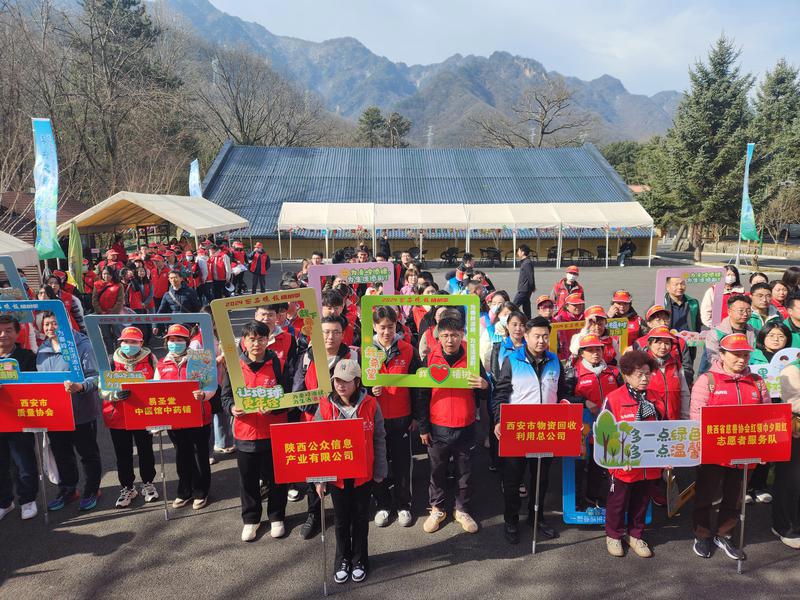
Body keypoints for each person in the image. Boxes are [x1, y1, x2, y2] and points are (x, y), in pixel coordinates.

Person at [690, 333, 770, 560]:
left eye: (745, 355)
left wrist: (765, 448)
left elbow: (766, 415)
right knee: (705, 495)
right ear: (722, 355)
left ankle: (724, 533)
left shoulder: (757, 381)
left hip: (745, 450)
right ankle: (702, 534)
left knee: (735, 497)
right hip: (713, 450)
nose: (741, 359)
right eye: (736, 354)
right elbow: (697, 417)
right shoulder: (708, 380)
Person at [491, 316, 568, 544]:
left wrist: (565, 404)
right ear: (526, 336)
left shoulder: (554, 361)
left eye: (545, 336)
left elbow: (562, 391)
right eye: (536, 336)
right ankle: (511, 520)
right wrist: (498, 420)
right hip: (518, 429)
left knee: (541, 478)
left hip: (545, 430)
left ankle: (537, 518)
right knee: (513, 479)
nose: (541, 341)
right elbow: (500, 393)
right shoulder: (512, 360)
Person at [311, 359, 386, 584]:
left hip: (363, 473)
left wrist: (380, 468)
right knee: (341, 519)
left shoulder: (371, 404)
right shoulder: (325, 405)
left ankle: (360, 558)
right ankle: (342, 559)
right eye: (337, 381)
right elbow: (316, 442)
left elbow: (379, 437)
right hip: (338, 476)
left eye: (346, 381)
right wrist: (319, 478)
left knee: (361, 518)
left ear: (357, 382)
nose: (340, 385)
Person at [415, 316, 489, 535]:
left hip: (466, 425)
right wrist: (423, 428)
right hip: (437, 427)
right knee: (436, 471)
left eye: (455, 335)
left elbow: (485, 391)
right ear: (439, 336)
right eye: (446, 335)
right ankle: (437, 509)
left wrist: (485, 385)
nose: (450, 340)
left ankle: (462, 509)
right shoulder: (430, 358)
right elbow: (421, 395)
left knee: (465, 471)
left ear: (462, 335)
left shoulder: (472, 358)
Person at [221, 320, 288, 542]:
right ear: (244, 341)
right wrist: (232, 408)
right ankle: (251, 519)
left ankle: (277, 516)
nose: (256, 343)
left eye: (261, 339)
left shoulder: (277, 364)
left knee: (277, 478)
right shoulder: (235, 367)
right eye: (252, 339)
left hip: (273, 431)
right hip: (245, 433)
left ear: (268, 340)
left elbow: (288, 394)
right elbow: (226, 396)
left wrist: (275, 406)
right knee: (248, 480)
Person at [602, 350, 665, 558]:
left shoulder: (656, 398)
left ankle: (635, 535)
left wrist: (669, 456)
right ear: (626, 375)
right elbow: (605, 431)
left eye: (648, 373)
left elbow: (666, 429)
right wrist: (618, 457)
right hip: (623, 463)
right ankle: (613, 535)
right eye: (639, 374)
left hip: (649, 463)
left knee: (642, 500)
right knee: (618, 501)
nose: (645, 378)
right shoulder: (614, 398)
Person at [36, 311, 102, 512]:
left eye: (55, 323)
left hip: (81, 412)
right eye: (47, 324)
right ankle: (68, 490)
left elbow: (96, 377)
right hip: (56, 414)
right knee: (62, 453)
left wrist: (81, 386)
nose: (50, 328)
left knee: (88, 453)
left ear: (66, 323)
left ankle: (92, 489)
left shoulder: (82, 345)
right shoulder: (43, 349)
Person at [369, 306, 421, 529]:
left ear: (396, 325)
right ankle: (382, 504)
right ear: (374, 327)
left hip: (402, 416)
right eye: (382, 327)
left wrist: (416, 416)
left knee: (402, 464)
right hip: (375, 418)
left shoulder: (408, 350)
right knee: (378, 463)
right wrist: (369, 390)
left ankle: (403, 505)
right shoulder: (366, 353)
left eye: (390, 327)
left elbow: (418, 386)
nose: (387, 332)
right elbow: (357, 385)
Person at [155, 324, 214, 510]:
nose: (175, 343)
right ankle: (184, 490)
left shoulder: (200, 358)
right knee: (182, 454)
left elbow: (211, 385)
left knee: (199, 454)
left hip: (198, 416)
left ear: (187, 341)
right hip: (175, 419)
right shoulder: (162, 363)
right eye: (171, 340)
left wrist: (204, 394)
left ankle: (201, 491)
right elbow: (155, 390)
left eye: (179, 339)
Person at [102, 327, 159, 508]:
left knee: (146, 451)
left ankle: (148, 483)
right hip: (118, 416)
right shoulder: (111, 361)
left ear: (141, 343)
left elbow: (159, 383)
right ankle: (127, 487)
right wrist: (115, 395)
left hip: (143, 414)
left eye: (134, 342)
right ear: (120, 343)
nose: (129, 345)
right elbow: (102, 388)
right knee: (123, 454)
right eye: (126, 342)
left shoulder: (150, 358)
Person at [564, 334, 622, 508]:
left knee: (600, 463)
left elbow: (623, 394)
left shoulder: (613, 372)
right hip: (582, 427)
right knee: (579, 464)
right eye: (590, 350)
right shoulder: (573, 372)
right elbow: (564, 397)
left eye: (598, 349)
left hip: (606, 426)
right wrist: (584, 402)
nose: (595, 353)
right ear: (581, 353)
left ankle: (592, 497)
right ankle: (576, 500)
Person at [746, 321, 792, 504]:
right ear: (763, 337)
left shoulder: (792, 358)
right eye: (771, 335)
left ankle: (760, 486)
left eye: (781, 336)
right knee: (753, 445)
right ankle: (746, 487)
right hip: (758, 405)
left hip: (782, 405)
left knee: (771, 446)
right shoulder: (752, 356)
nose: (776, 339)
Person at [0, 315, 39, 521]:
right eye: (0, 331)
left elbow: (34, 386)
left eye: (8, 330)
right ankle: (5, 502)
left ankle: (28, 499)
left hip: (19, 419)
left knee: (24, 462)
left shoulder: (26, 356)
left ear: (17, 333)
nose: (3, 335)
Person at [773, 359, 800, 548]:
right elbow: (795, 404)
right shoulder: (792, 370)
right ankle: (786, 527)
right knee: (791, 482)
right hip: (795, 433)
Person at [644, 327, 690, 421]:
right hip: (651, 421)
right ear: (649, 344)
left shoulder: (676, 364)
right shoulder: (642, 364)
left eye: (667, 343)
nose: (663, 347)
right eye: (659, 343)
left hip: (674, 419)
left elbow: (684, 393)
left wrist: (685, 417)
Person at [703, 295, 757, 369]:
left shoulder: (755, 332)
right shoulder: (715, 333)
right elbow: (713, 358)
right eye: (741, 311)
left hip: (750, 371)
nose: (745, 314)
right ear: (729, 312)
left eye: (748, 311)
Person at [92, 267, 125, 353]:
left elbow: (120, 300)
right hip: (102, 315)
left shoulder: (119, 285)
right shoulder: (97, 284)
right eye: (104, 274)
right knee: (106, 335)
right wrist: (100, 311)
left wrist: (113, 312)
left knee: (117, 334)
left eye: (108, 274)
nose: (106, 276)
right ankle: (110, 352)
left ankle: (119, 352)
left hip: (114, 315)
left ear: (112, 275)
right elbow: (94, 300)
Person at [513, 245, 537, 317]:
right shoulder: (525, 262)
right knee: (526, 307)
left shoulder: (527, 263)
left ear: (523, 252)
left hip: (524, 289)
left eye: (518, 251)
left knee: (513, 306)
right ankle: (528, 321)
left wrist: (532, 287)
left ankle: (512, 319)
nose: (517, 253)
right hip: (525, 288)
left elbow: (530, 276)